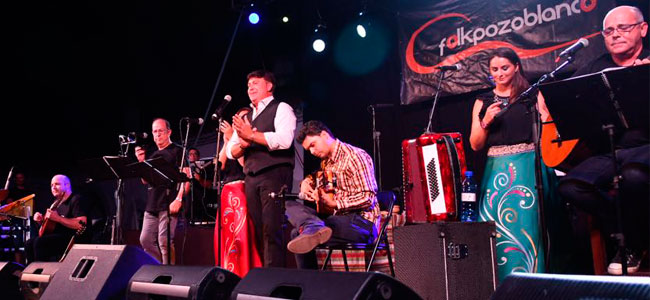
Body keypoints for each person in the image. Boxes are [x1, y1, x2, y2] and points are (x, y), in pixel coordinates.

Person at [558, 5, 649, 275]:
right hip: (611, 151)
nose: (616, 35)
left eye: (624, 28)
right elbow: (562, 98)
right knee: (570, 186)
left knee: (634, 176)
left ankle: (632, 244)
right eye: (609, 31)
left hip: (645, 147)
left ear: (643, 29)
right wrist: (545, 102)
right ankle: (632, 238)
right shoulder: (594, 67)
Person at [470, 47, 558, 282]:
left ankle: (534, 284)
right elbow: (475, 144)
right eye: (494, 69)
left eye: (504, 68)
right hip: (496, 169)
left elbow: (549, 126)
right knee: (494, 227)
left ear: (516, 66)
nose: (499, 73)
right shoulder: (483, 101)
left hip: (528, 166)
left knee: (528, 226)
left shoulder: (531, 94)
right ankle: (501, 285)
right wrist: (486, 120)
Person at [286, 120, 380, 269]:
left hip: (362, 223)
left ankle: (313, 227)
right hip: (338, 219)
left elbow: (368, 198)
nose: (312, 152)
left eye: (312, 145)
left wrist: (335, 204)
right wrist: (305, 182)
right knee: (288, 205)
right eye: (308, 149)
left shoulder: (355, 156)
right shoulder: (327, 163)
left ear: (324, 135)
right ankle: (313, 226)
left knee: (302, 232)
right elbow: (315, 176)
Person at [225, 70, 296, 267]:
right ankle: (266, 277)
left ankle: (275, 284)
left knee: (272, 230)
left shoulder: (281, 108)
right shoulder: (246, 116)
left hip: (274, 175)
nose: (250, 88)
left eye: (256, 83)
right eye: (248, 85)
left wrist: (252, 136)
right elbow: (231, 151)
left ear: (269, 86)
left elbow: (284, 140)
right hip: (252, 178)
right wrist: (244, 144)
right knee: (258, 230)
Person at [135, 118, 187, 264]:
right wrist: (141, 162)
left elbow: (187, 177)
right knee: (145, 240)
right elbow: (145, 181)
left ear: (169, 132)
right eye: (155, 131)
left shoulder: (178, 151)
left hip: (169, 201)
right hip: (152, 203)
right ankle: (159, 268)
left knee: (164, 241)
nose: (157, 135)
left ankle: (169, 273)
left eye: (160, 131)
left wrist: (179, 199)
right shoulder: (152, 155)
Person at [24, 174, 89, 263]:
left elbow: (81, 224)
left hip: (71, 238)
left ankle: (40, 272)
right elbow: (49, 227)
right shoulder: (56, 203)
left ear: (67, 185)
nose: (53, 187)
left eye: (57, 184)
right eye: (51, 185)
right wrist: (41, 221)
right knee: (29, 243)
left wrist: (58, 218)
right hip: (56, 237)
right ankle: (31, 273)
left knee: (39, 242)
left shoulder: (76, 199)